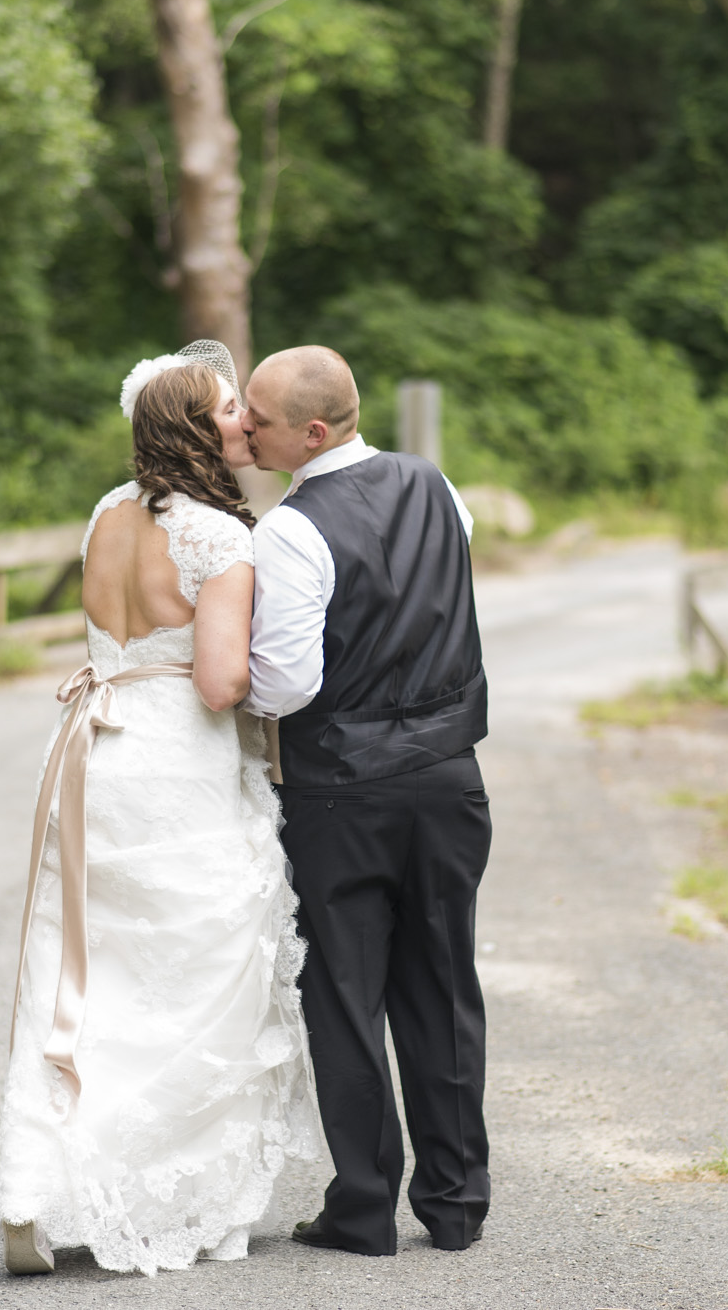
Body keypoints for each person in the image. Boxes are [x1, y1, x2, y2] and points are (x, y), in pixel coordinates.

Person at [0, 341, 319, 1278]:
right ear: (191, 426)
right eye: (226, 407)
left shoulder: (106, 513)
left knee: (86, 973)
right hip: (180, 762)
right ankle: (192, 1202)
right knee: (194, 971)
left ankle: (39, 1182)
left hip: (98, 752)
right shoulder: (223, 539)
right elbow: (220, 683)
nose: (241, 420)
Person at [241, 346, 492, 1257]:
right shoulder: (439, 487)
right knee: (443, 985)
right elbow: (444, 603)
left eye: (257, 416)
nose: (244, 425)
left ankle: (362, 1209)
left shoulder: (288, 530)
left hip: (342, 796)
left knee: (346, 996)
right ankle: (458, 1202)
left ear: (312, 432)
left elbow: (288, 685)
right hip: (450, 779)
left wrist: (224, 681)